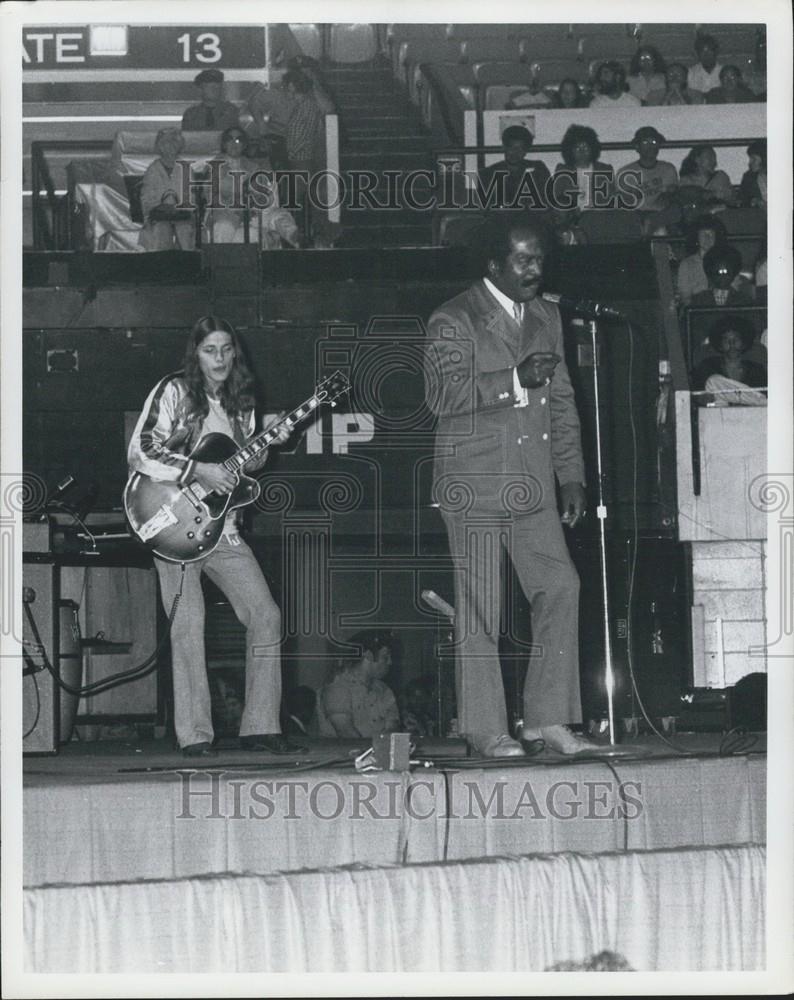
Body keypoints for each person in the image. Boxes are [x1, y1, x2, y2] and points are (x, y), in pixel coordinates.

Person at [423, 215, 598, 758]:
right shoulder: (453, 318)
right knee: (480, 608)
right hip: (473, 482)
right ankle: (485, 728)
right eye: (523, 259)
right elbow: (441, 396)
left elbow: (564, 401)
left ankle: (547, 720)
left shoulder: (548, 314)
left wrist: (570, 475)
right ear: (495, 265)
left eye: (540, 257)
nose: (535, 268)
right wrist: (516, 380)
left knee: (561, 586)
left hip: (533, 482)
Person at [127, 315, 302, 757]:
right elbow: (142, 449)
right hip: (174, 524)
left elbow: (244, 467)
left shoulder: (242, 400)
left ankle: (260, 726)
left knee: (266, 615)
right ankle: (195, 736)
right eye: (210, 350)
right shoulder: (174, 391)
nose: (220, 358)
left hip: (223, 531)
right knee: (189, 626)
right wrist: (196, 468)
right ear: (196, 353)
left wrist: (270, 442)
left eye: (226, 349)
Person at [203, 127, 300, 247]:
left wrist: (256, 202)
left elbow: (264, 196)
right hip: (225, 213)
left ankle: (296, 238)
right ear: (224, 144)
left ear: (244, 145)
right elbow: (211, 197)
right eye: (230, 139)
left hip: (252, 212)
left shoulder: (253, 167)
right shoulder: (214, 167)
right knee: (225, 226)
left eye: (239, 140)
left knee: (278, 215)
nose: (234, 143)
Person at [316, 631, 401, 738]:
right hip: (346, 754)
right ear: (368, 655)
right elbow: (346, 733)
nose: (390, 662)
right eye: (385, 657)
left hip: (377, 753)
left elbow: (393, 730)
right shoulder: (337, 688)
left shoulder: (384, 690)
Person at [139, 129, 196, 251]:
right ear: (159, 147)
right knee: (161, 229)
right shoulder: (152, 170)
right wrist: (161, 207)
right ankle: (161, 267)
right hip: (158, 217)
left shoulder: (186, 168)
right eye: (165, 143)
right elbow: (147, 198)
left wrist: (178, 208)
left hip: (183, 215)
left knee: (184, 229)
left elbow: (191, 197)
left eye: (174, 143)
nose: (170, 147)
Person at [477, 125, 552, 211]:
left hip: (533, 220)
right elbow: (488, 208)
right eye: (511, 148)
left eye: (521, 149)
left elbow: (547, 200)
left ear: (526, 151)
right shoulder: (488, 174)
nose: (515, 153)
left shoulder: (538, 169)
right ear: (504, 147)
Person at [551, 125, 614, 226]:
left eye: (585, 147)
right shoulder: (563, 170)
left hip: (599, 217)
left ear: (593, 149)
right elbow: (557, 198)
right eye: (577, 148)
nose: (582, 151)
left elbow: (610, 198)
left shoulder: (604, 169)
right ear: (570, 151)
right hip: (572, 218)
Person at [690, 314, 767, 397]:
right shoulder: (708, 367)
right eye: (726, 339)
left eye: (736, 339)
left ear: (744, 342)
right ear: (719, 344)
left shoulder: (756, 370)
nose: (732, 343)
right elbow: (699, 395)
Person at [616, 126, 678, 215]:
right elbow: (622, 201)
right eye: (645, 142)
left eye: (654, 142)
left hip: (660, 216)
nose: (650, 147)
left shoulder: (668, 169)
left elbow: (670, 195)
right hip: (634, 216)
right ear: (637, 147)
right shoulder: (625, 172)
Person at [675, 215, 729, 306]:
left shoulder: (727, 262)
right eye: (703, 234)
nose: (708, 238)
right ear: (696, 237)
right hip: (697, 311)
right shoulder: (687, 264)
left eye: (711, 234)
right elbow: (685, 297)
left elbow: (733, 291)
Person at [689, 245, 754, 308]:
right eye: (718, 273)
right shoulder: (699, 300)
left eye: (726, 272)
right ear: (711, 273)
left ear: (734, 273)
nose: (723, 276)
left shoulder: (744, 301)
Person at [181, 68, 241, 133]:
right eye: (209, 86)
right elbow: (187, 138)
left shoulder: (231, 111)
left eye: (217, 85)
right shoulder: (191, 114)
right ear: (200, 90)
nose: (214, 89)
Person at [739, 140, 767, 208]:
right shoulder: (748, 178)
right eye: (750, 158)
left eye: (754, 159)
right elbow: (742, 200)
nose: (750, 163)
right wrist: (753, 201)